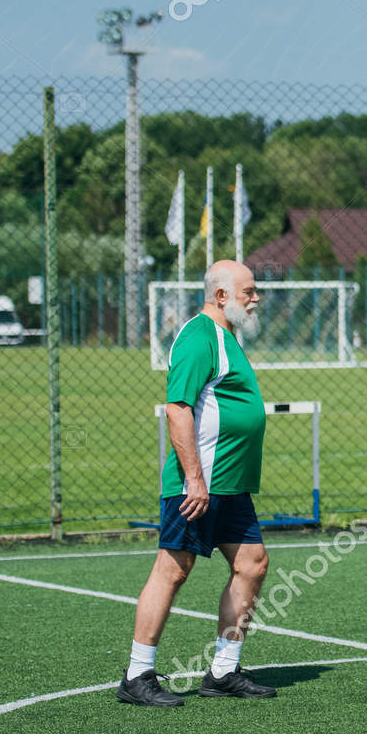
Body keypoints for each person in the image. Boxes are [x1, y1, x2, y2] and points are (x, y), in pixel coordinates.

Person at [117, 259, 277, 705]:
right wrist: (193, 479)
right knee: (173, 570)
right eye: (249, 291)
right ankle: (137, 675)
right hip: (199, 484)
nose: (256, 298)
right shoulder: (198, 337)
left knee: (253, 564)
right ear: (221, 296)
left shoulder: (227, 338)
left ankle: (223, 670)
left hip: (230, 485)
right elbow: (177, 408)